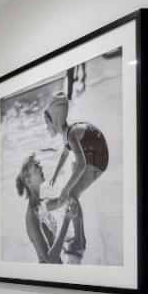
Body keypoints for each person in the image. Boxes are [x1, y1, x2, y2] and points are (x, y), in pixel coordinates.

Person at [44, 92, 108, 262]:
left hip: (98, 159)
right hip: (92, 153)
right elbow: (65, 153)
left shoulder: (71, 134)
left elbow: (82, 165)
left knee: (71, 195)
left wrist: (65, 190)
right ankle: (79, 237)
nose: (46, 127)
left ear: (55, 122)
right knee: (71, 194)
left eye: (46, 123)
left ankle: (80, 241)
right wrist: (56, 174)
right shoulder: (68, 133)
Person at [15, 153, 73, 263]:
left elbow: (61, 200)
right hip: (49, 276)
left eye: (39, 164)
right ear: (28, 181)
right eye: (36, 166)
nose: (41, 167)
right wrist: (66, 220)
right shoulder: (33, 216)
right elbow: (50, 260)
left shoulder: (42, 203)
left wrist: (76, 185)